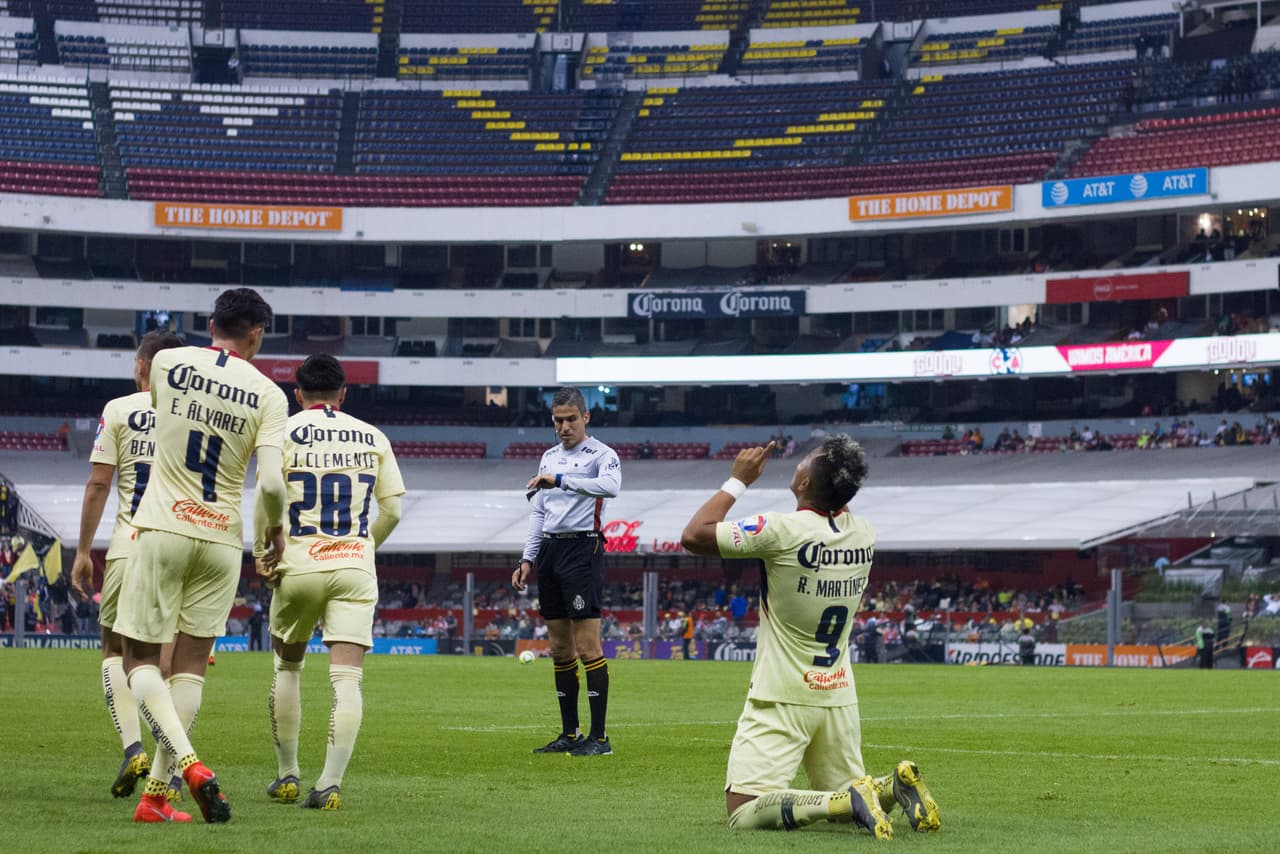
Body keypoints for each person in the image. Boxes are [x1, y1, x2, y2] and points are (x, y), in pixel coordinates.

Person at [680, 437, 940, 837]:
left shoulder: (779, 530)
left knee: (744, 810)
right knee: (852, 791)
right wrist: (839, 475)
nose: (798, 464)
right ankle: (894, 787)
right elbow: (836, 503)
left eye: (805, 461)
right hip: (838, 696)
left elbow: (695, 534)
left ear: (803, 484)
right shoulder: (863, 534)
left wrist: (738, 480)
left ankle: (847, 799)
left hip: (782, 693)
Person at [114, 287, 289, 824]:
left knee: (138, 659)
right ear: (256, 332)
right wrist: (273, 534)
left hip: (163, 524)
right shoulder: (269, 394)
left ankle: (191, 767)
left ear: (211, 321)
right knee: (190, 667)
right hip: (219, 538)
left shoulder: (167, 362)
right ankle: (156, 800)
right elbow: (273, 484)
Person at [259, 355, 404, 811]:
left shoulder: (281, 432)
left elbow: (268, 491)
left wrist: (267, 549)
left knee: (288, 667)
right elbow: (393, 510)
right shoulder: (373, 435)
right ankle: (330, 783)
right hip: (353, 566)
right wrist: (363, 547)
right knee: (346, 680)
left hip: (298, 564)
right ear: (344, 394)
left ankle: (286, 776)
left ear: (296, 394)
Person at [70, 332, 184, 803]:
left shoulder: (118, 409)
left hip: (128, 543)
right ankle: (170, 769)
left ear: (140, 365)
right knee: (171, 663)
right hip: (181, 545)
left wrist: (82, 552)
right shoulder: (192, 414)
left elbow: (99, 483)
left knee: (116, 651)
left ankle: (133, 746)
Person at [512, 386, 621, 757]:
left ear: (586, 417)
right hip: (551, 551)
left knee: (588, 645)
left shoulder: (602, 455)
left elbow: (610, 487)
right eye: (558, 420)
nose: (564, 427)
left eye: (571, 419)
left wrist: (558, 480)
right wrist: (527, 559)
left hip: (583, 548)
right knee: (560, 648)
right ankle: (570, 734)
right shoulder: (548, 457)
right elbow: (539, 513)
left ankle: (601, 738)